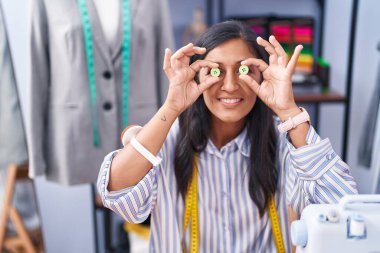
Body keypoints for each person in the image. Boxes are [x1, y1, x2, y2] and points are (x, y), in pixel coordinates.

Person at [97, 21, 357, 252]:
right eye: (215, 71)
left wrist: (288, 110)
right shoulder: (168, 141)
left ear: (261, 75)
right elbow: (118, 198)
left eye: (243, 71)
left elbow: (345, 210)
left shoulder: (286, 143)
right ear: (195, 74)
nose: (230, 85)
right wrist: (172, 107)